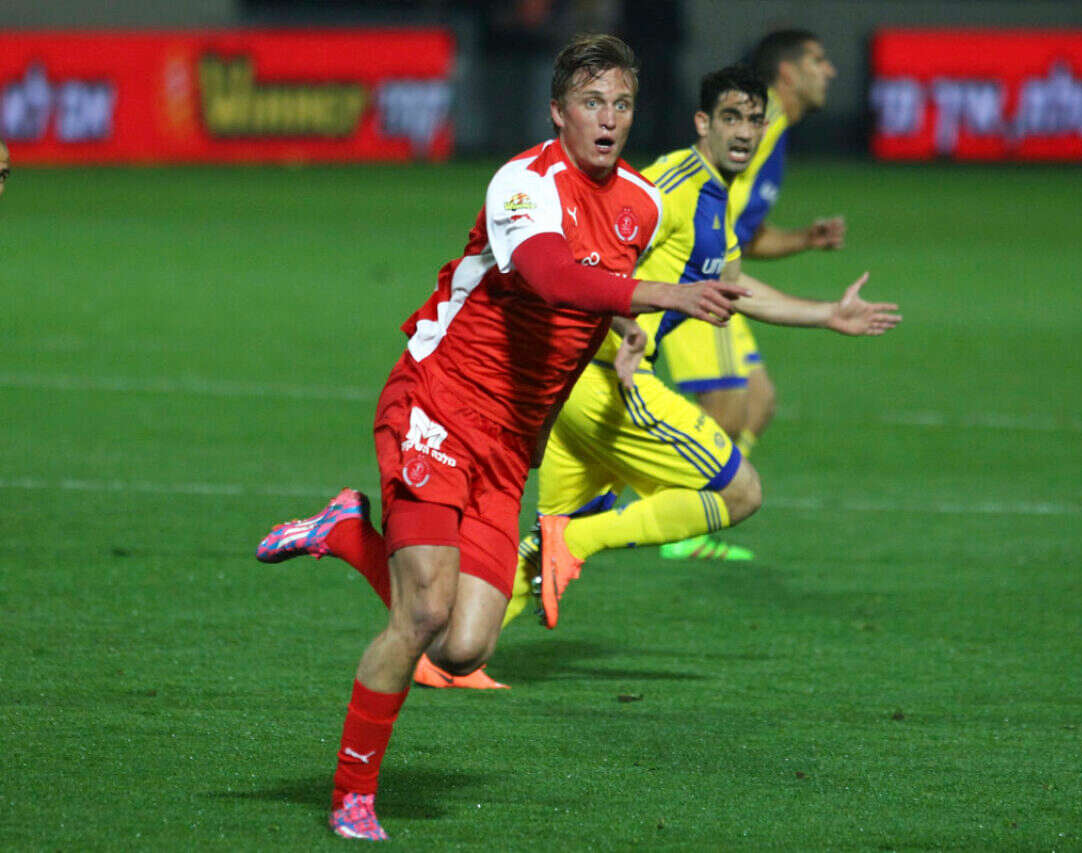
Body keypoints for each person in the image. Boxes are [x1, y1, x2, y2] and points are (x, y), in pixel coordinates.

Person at [255, 35, 747, 841]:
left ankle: (345, 532)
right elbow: (552, 276)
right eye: (592, 102)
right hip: (439, 402)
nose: (609, 119)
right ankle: (352, 795)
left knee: (463, 647)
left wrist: (615, 338)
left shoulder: (641, 203)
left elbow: (587, 305)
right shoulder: (523, 183)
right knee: (421, 613)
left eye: (622, 104)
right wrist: (658, 296)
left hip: (509, 443)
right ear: (558, 111)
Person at [269, 65, 899, 690]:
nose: (743, 132)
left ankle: (442, 638)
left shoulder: (715, 198)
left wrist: (826, 314)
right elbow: (581, 263)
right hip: (603, 384)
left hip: (564, 390)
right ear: (701, 123)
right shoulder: (666, 187)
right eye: (730, 117)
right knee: (739, 492)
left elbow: (727, 285)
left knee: (471, 625)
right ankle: (568, 544)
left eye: (754, 121)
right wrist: (630, 329)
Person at [657, 30, 840, 562]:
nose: (829, 71)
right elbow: (709, 207)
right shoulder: (763, 126)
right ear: (788, 73)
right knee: (727, 410)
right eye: (818, 60)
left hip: (721, 273)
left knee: (758, 402)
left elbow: (745, 236)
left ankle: (703, 504)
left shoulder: (774, 134)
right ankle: (679, 519)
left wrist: (804, 239)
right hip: (693, 277)